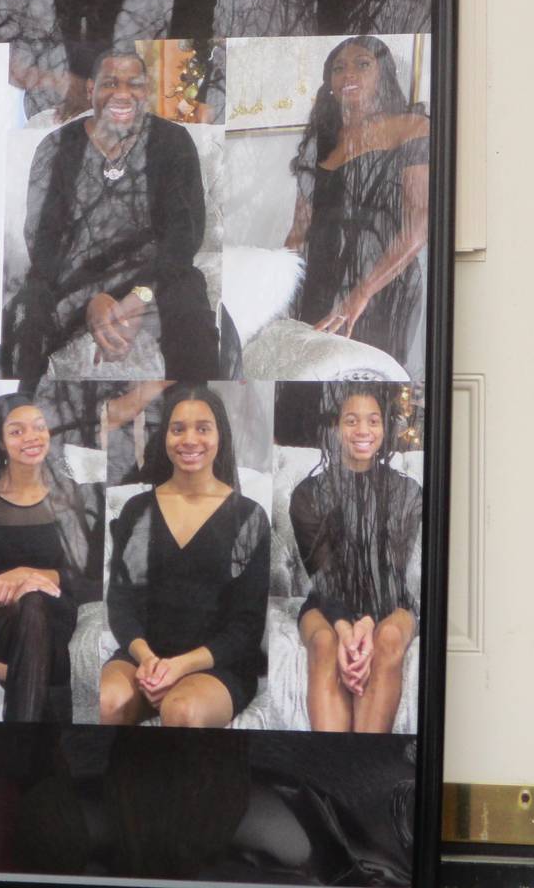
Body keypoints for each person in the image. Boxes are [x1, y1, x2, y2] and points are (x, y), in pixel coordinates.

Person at [4, 47, 220, 382]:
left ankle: (189, 401)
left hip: (156, 282)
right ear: (91, 90)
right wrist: (89, 299)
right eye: (110, 84)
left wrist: (137, 298)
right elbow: (43, 241)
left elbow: (184, 235)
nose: (122, 94)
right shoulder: (56, 148)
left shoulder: (172, 142)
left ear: (145, 92)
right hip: (70, 282)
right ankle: (21, 409)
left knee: (191, 310)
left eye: (133, 84)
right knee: (25, 314)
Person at [100, 385, 270, 728]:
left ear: (220, 435)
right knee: (108, 701)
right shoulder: (138, 510)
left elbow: (247, 626)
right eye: (178, 429)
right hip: (144, 657)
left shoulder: (249, 517)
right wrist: (148, 660)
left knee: (181, 710)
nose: (189, 440)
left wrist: (179, 666)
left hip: (215, 666)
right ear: (165, 436)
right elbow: (120, 603)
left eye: (203, 428)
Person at [0, 393, 102, 723]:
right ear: (0, 442)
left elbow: (89, 582)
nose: (31, 437)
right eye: (17, 431)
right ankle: (46, 754)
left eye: (39, 427)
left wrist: (28, 575)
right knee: (38, 630)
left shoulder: (70, 496)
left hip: (56, 612)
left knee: (35, 602)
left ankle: (18, 743)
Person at [284, 37, 429, 371]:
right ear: (330, 84)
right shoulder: (321, 145)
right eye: (338, 68)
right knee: (312, 380)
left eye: (362, 63)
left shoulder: (412, 128)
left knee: (369, 378)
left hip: (380, 288)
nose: (348, 73)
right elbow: (299, 231)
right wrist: (279, 294)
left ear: (384, 74)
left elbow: (419, 224)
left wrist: (362, 292)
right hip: (318, 283)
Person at [291, 384, 421, 733]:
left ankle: (365, 760)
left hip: (391, 601)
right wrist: (346, 628)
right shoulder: (307, 495)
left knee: (389, 638)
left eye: (373, 420)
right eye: (351, 420)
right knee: (324, 644)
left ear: (384, 427)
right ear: (336, 428)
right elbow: (324, 576)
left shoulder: (408, 492)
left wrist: (367, 625)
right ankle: (329, 768)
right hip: (326, 604)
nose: (363, 431)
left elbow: (390, 571)